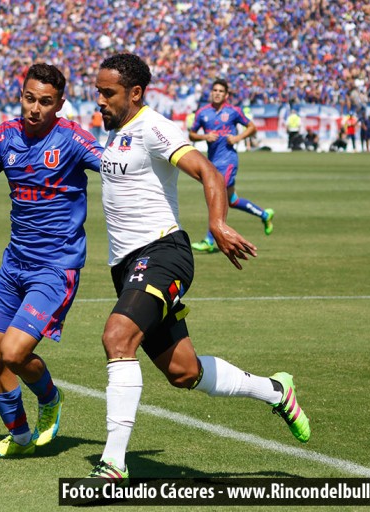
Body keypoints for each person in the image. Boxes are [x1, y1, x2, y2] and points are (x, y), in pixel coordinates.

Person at [87, 53, 310, 482]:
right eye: (98, 91)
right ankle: (276, 390)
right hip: (127, 265)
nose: (99, 99)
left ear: (135, 93)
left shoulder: (155, 128)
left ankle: (113, 464)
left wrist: (218, 222)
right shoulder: (115, 130)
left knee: (117, 337)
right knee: (184, 372)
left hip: (163, 252)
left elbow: (208, 170)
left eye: (107, 92)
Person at [0, 63, 103, 458]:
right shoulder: (5, 135)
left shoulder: (74, 140)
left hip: (55, 267)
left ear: (59, 104)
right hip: (14, 264)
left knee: (13, 352)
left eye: (45, 102)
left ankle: (50, 398)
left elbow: (116, 168)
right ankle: (21, 436)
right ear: (21, 95)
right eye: (30, 98)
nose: (35, 108)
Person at [188, 79, 274, 253]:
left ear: (226, 95)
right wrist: (205, 137)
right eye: (215, 90)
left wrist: (237, 138)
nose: (217, 93)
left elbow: (252, 127)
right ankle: (264, 215)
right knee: (232, 200)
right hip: (212, 162)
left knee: (216, 194)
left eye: (221, 91)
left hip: (228, 161)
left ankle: (210, 240)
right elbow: (191, 134)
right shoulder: (203, 113)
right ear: (211, 93)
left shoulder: (234, 111)